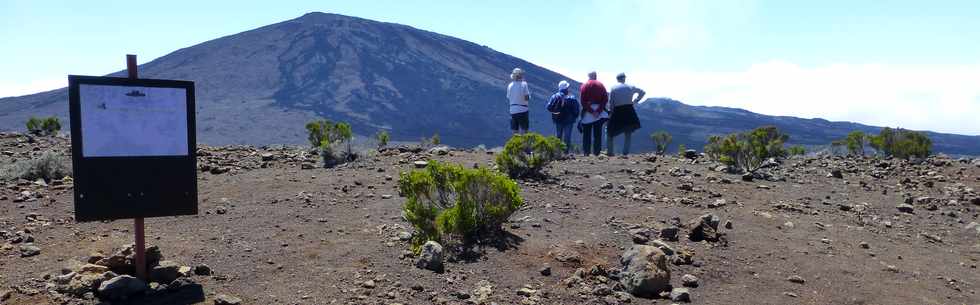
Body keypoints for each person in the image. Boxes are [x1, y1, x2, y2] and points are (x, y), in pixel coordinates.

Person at [606, 72, 645, 156]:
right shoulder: (631, 86)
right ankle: (625, 153)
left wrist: (610, 112)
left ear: (617, 79)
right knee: (628, 132)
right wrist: (635, 101)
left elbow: (611, 102)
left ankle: (610, 152)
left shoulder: (613, 88)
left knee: (609, 131)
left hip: (617, 111)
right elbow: (642, 92)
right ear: (624, 78)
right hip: (629, 110)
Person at [579, 71, 608, 156]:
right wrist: (598, 111)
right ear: (596, 76)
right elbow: (605, 99)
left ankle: (586, 152)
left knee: (586, 134)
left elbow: (582, 101)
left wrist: (591, 111)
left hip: (587, 113)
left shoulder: (584, 86)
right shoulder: (601, 85)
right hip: (599, 114)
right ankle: (597, 153)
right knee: (597, 134)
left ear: (588, 76)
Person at [547, 80, 580, 154]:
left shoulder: (554, 96)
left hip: (558, 119)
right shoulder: (572, 98)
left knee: (558, 136)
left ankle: (557, 152)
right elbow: (576, 110)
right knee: (567, 137)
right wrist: (574, 117)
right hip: (569, 121)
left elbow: (548, 107)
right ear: (566, 88)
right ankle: (565, 153)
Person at [506, 68, 531, 135]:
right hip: (523, 109)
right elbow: (527, 98)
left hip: (512, 110)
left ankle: (516, 144)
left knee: (515, 131)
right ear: (520, 76)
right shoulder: (524, 84)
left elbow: (508, 97)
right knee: (524, 130)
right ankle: (525, 144)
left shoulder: (510, 85)